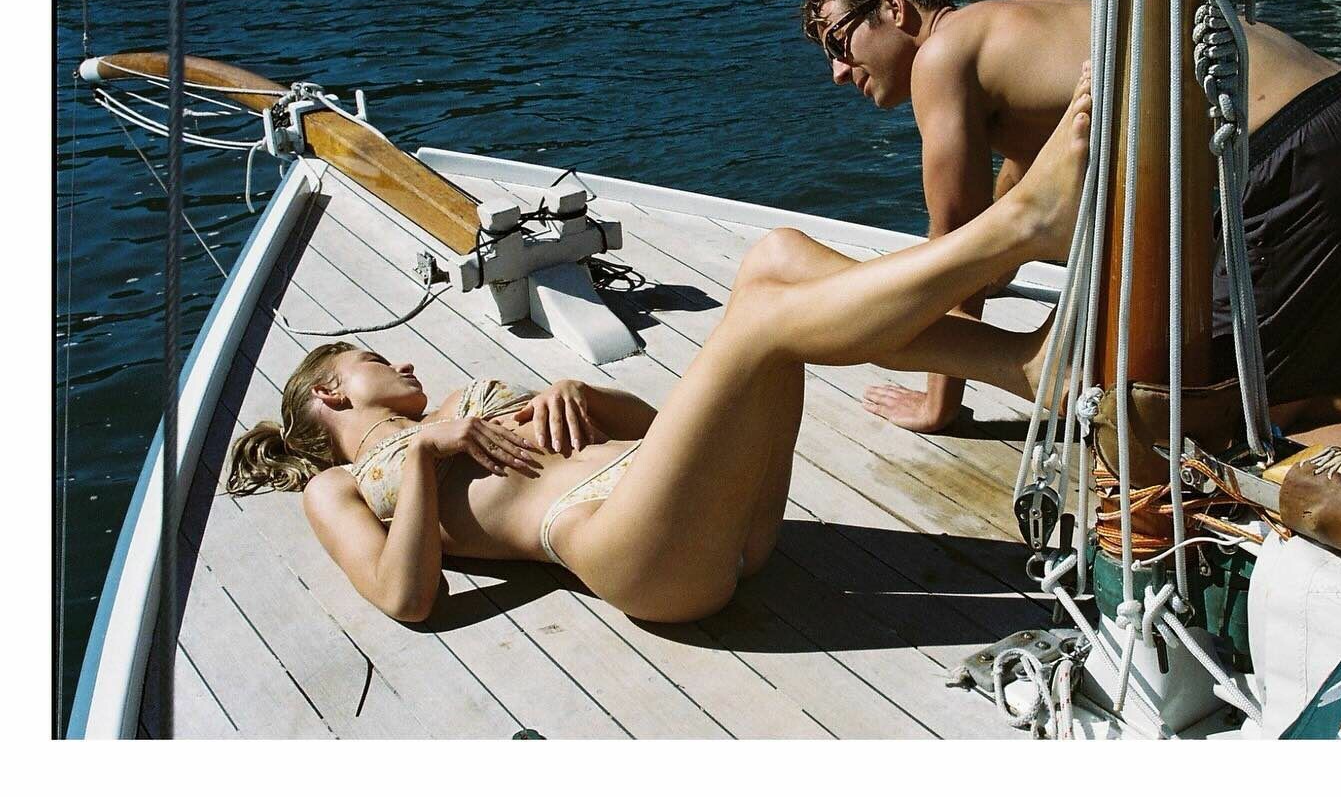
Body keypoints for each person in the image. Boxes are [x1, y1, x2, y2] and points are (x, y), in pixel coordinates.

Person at [225, 71, 1097, 625]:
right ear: (331, 392)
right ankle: (1019, 225)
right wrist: (425, 457)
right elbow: (405, 597)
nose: (404, 363)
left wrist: (587, 396)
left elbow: (659, 429)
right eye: (374, 362)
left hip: (701, 511)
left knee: (777, 257)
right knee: (761, 325)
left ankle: (1026, 366)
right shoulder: (340, 486)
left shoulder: (457, 402)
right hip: (628, 551)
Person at [800, 0, 1341, 434]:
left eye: (837, 43)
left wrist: (938, 405)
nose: (838, 73)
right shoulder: (1007, 24)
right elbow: (1021, 176)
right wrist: (1001, 268)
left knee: (1203, 405)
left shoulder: (941, 58)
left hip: (1296, 150)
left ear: (894, 7)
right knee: (1304, 357)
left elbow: (954, 247)